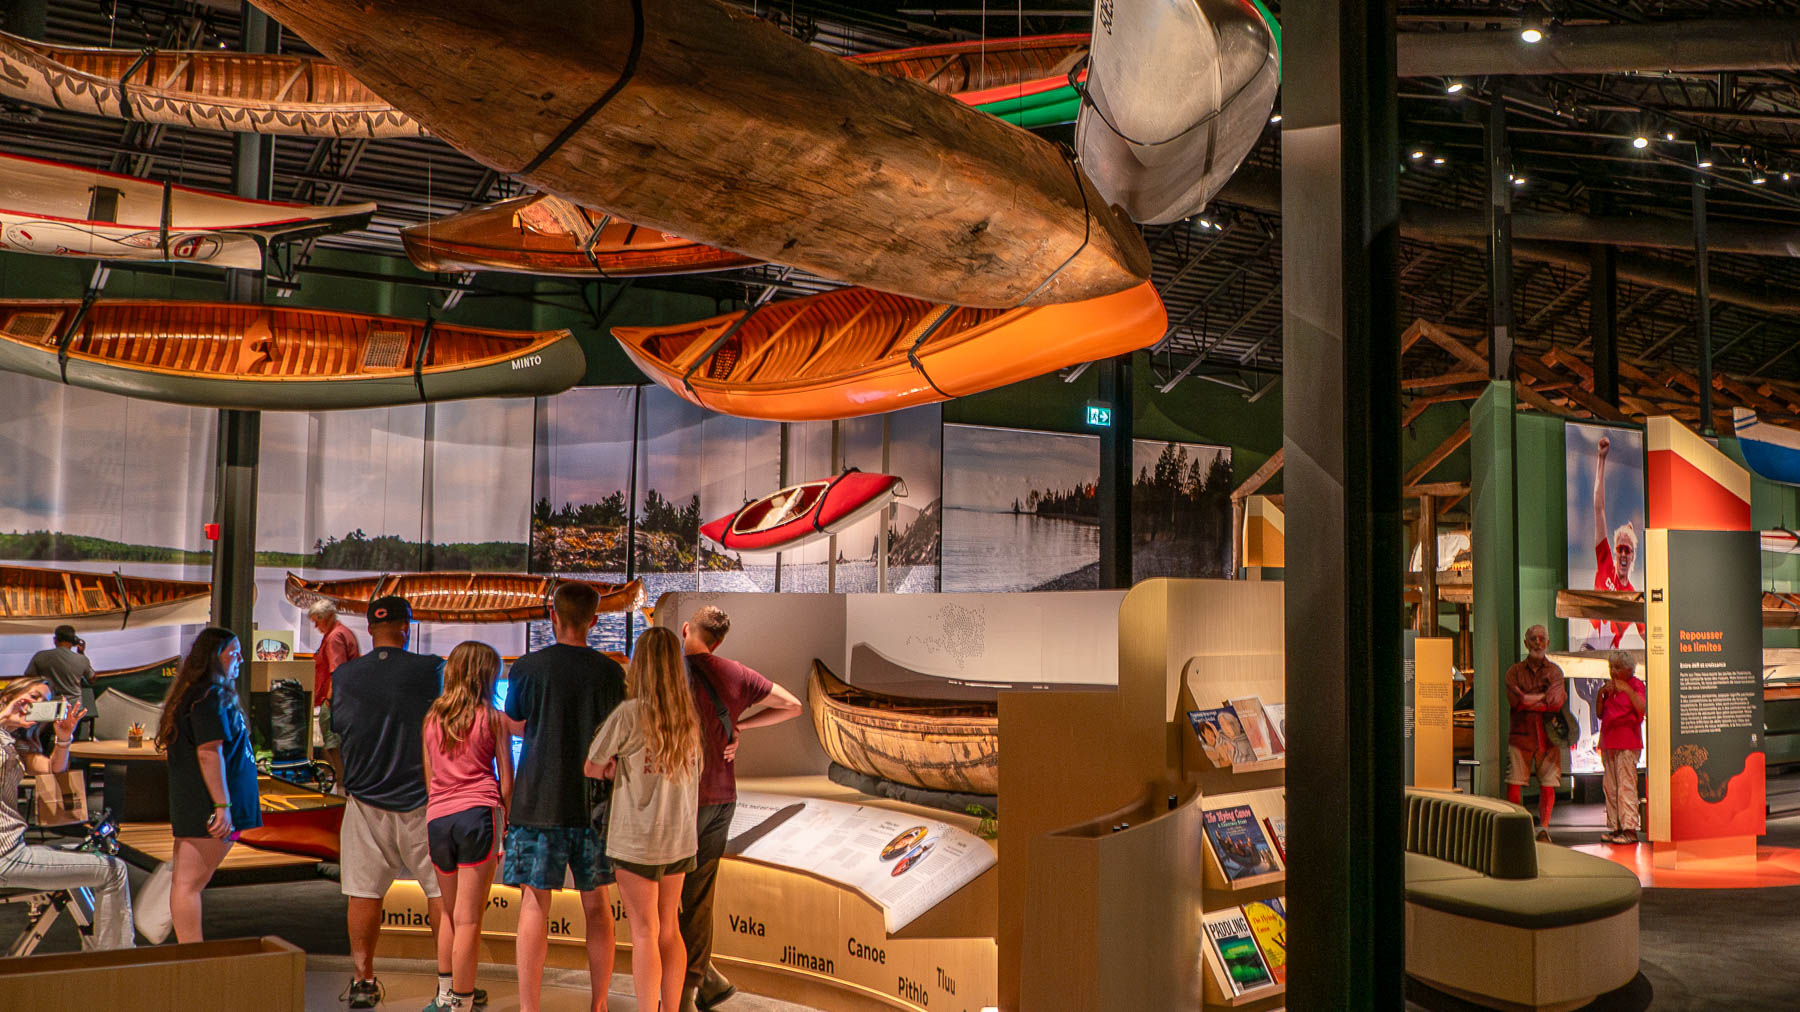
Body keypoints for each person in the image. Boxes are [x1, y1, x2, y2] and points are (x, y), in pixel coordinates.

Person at [504, 582, 627, 1012]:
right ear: (595, 621)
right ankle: (599, 1004)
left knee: (535, 903)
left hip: (537, 801)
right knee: (598, 906)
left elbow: (516, 724)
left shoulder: (526, 668)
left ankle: (529, 1007)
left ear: (552, 616)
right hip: (595, 805)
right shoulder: (611, 673)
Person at [677, 605, 801, 1011]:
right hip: (721, 799)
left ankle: (683, 987)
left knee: (666, 897)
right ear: (720, 642)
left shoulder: (671, 674)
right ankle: (700, 981)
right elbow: (792, 705)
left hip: (680, 800)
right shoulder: (736, 673)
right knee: (698, 897)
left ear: (685, 630)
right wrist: (738, 725)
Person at [331, 596, 448, 1010]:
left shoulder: (345, 676)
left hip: (364, 798)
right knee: (439, 892)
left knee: (363, 892)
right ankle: (448, 984)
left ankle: (363, 980)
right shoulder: (431, 668)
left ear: (369, 629)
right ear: (407, 627)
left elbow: (337, 730)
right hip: (422, 797)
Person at [587, 626, 703, 1012]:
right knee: (669, 930)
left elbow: (592, 765)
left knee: (644, 932)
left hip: (636, 839)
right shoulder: (688, 717)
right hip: (680, 840)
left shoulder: (629, 713)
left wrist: (615, 769)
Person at [0, 678, 132, 948]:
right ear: (9, 696)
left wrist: (63, 738)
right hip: (6, 857)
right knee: (113, 871)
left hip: (14, 849)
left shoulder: (16, 743)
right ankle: (116, 962)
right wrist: (4, 715)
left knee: (93, 856)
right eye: (33, 696)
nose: (35, 705)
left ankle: (100, 952)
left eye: (42, 702)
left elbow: (52, 770)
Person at [423, 642, 513, 1012]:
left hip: (438, 819)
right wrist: (505, 821)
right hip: (478, 816)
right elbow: (506, 781)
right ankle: (463, 1000)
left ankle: (446, 994)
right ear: (486, 676)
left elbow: (430, 780)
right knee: (470, 918)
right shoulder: (493, 718)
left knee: (448, 911)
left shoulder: (431, 718)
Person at [159, 627, 260, 942]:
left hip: (211, 806)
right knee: (188, 885)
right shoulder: (208, 695)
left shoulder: (202, 693)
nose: (240, 658)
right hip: (208, 808)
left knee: (186, 883)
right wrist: (222, 805)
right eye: (234, 651)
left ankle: (192, 957)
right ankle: (193, 959)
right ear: (214, 656)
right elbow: (208, 752)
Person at [1505, 624, 1567, 842]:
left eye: (1541, 638)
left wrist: (1529, 699)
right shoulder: (1514, 672)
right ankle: (1517, 827)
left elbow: (1556, 702)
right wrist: (1542, 696)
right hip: (1520, 735)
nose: (1538, 643)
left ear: (1548, 643)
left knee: (1548, 783)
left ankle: (1544, 828)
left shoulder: (1555, 671)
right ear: (1525, 643)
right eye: (1533, 639)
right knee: (1514, 781)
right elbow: (1515, 701)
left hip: (1548, 735)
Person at [1589, 436, 1644, 649]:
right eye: (1619, 549)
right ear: (1614, 551)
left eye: (1627, 550)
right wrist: (1601, 460)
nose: (1622, 554)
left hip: (1612, 662)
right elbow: (1598, 508)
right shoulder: (1605, 563)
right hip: (1589, 649)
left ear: (1632, 556)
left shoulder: (1633, 596)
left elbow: (1648, 636)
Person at [308, 599, 362, 789]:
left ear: (329, 617)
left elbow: (336, 671)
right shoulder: (341, 633)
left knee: (333, 745)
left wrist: (330, 700)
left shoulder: (335, 637)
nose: (316, 626)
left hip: (335, 701)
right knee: (333, 745)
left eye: (318, 621)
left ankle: (341, 785)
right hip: (344, 700)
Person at [1596, 651, 1648, 845]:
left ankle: (1629, 829)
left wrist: (1626, 689)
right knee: (1610, 787)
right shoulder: (1610, 687)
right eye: (1611, 667)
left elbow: (1642, 709)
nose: (1613, 671)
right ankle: (1615, 827)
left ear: (1628, 670)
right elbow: (1600, 714)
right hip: (1609, 741)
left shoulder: (1635, 685)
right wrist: (1600, 696)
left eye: (1617, 668)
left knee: (1625, 786)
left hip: (1627, 742)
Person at [25, 625, 97, 740]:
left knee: (41, 742)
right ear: (74, 641)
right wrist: (81, 653)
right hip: (72, 708)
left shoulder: (40, 656)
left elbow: (28, 678)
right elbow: (92, 679)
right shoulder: (81, 659)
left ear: (55, 640)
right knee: (69, 742)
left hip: (46, 707)